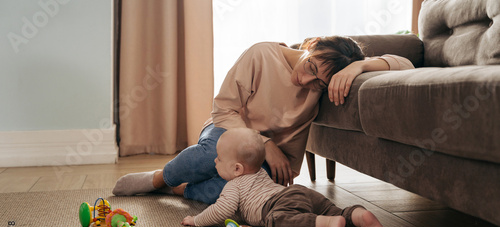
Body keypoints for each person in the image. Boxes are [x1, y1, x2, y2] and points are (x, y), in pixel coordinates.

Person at [113, 36, 414, 204]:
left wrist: (358, 68)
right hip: (229, 131)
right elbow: (223, 110)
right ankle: (158, 180)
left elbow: (406, 64)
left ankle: (179, 189)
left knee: (234, 193)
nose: (306, 80)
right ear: (312, 44)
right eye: (310, 67)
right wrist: (263, 142)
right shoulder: (262, 54)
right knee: (209, 156)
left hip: (277, 159)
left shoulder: (326, 80)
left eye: (318, 84)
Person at [181, 128, 385, 227]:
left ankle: (327, 223)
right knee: (332, 209)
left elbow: (221, 210)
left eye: (219, 158)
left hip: (278, 204)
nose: (215, 161)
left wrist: (196, 220)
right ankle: (357, 216)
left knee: (277, 225)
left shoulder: (233, 185)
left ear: (236, 169)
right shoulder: (260, 171)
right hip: (299, 193)